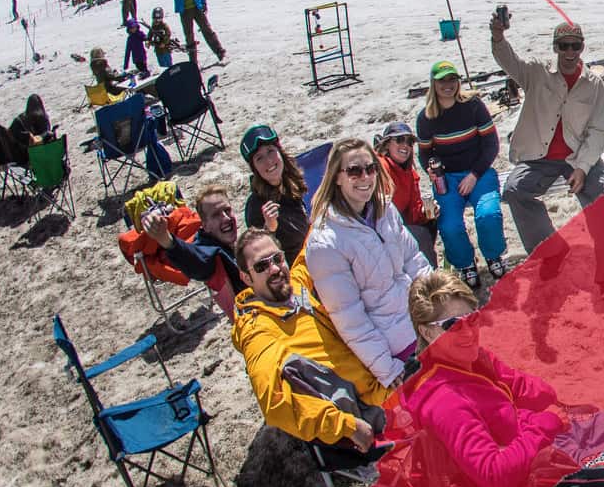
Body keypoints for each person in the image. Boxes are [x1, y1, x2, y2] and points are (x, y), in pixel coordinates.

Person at [403, 270, 569, 487]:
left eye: (473, 318)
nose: (467, 332)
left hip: (496, 469)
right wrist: (543, 424)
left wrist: (546, 400)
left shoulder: (473, 357)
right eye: (452, 324)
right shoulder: (444, 397)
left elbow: (520, 384)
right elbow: (493, 475)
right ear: (426, 331)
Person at [491, 12, 604, 296]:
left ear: (582, 48)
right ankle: (552, 249)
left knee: (602, 199)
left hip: (577, 156)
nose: (569, 52)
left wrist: (582, 168)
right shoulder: (535, 72)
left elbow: (597, 130)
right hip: (538, 156)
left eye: (575, 46)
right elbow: (508, 61)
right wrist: (498, 36)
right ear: (555, 48)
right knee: (514, 190)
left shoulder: (593, 84)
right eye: (563, 46)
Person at [230, 229, 391, 481]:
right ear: (246, 277)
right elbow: (274, 404)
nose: (274, 269)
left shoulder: (294, 286)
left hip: (381, 378)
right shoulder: (258, 330)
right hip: (364, 415)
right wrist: (345, 426)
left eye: (277, 259)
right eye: (261, 266)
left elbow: (308, 253)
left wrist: (328, 205)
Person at [304, 138, 432, 390]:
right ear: (336, 177)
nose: (365, 177)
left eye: (370, 168)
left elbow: (414, 260)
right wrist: (387, 368)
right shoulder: (325, 243)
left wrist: (442, 304)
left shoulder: (384, 208)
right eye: (354, 170)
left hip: (420, 314)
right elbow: (350, 317)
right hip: (393, 339)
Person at [416, 60, 507, 290]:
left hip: (479, 172)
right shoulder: (426, 118)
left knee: (488, 214)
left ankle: (493, 255)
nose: (448, 85)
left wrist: (475, 175)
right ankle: (466, 264)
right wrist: (433, 171)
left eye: (452, 79)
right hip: (447, 179)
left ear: (458, 82)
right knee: (449, 226)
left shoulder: (473, 105)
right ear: (433, 84)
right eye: (442, 80)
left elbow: (491, 145)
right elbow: (424, 154)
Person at [141, 185, 247, 306]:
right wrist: (167, 240)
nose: (226, 218)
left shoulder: (227, 243)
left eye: (227, 210)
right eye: (216, 215)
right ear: (205, 225)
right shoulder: (210, 252)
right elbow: (196, 260)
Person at [241, 124, 312, 259]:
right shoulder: (256, 207)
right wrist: (269, 228)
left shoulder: (291, 182)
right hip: (297, 270)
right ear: (254, 169)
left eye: (270, 151)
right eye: (259, 158)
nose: (268, 161)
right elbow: (261, 254)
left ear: (280, 152)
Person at [374, 122, 438, 266]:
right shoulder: (379, 167)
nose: (405, 146)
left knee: (431, 223)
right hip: (380, 230)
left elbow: (413, 211)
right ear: (386, 144)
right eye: (399, 140)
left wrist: (424, 211)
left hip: (399, 225)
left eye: (409, 142)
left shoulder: (409, 173)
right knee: (420, 236)